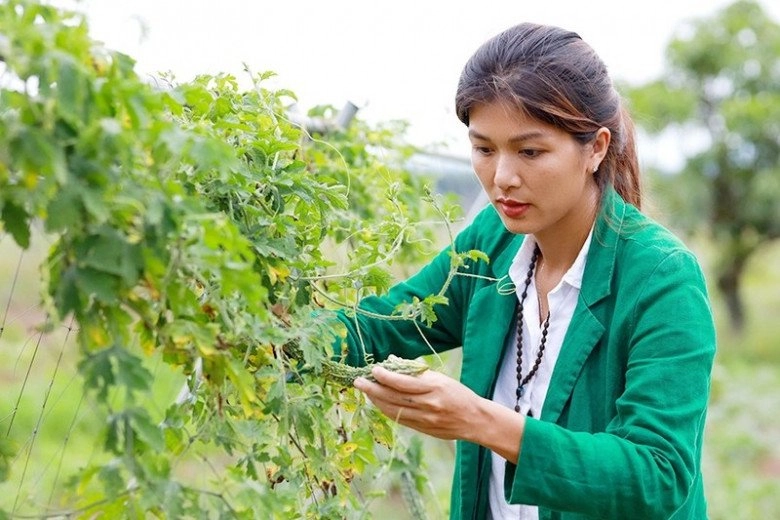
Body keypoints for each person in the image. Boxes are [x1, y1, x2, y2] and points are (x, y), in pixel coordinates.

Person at [337, 22, 716, 520]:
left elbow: (658, 473)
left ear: (596, 148)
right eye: (484, 148)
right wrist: (265, 333)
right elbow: (380, 326)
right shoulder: (490, 246)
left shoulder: (662, 278)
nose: (503, 178)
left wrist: (479, 420)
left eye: (530, 151)